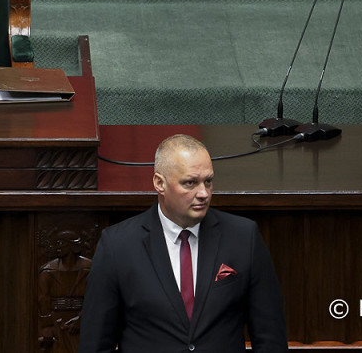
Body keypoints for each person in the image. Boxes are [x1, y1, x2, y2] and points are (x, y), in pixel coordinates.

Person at [78, 134, 286, 353]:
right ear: (159, 183)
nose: (203, 193)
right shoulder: (118, 246)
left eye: (208, 181)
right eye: (190, 183)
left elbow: (270, 338)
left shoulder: (244, 237)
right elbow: (95, 344)